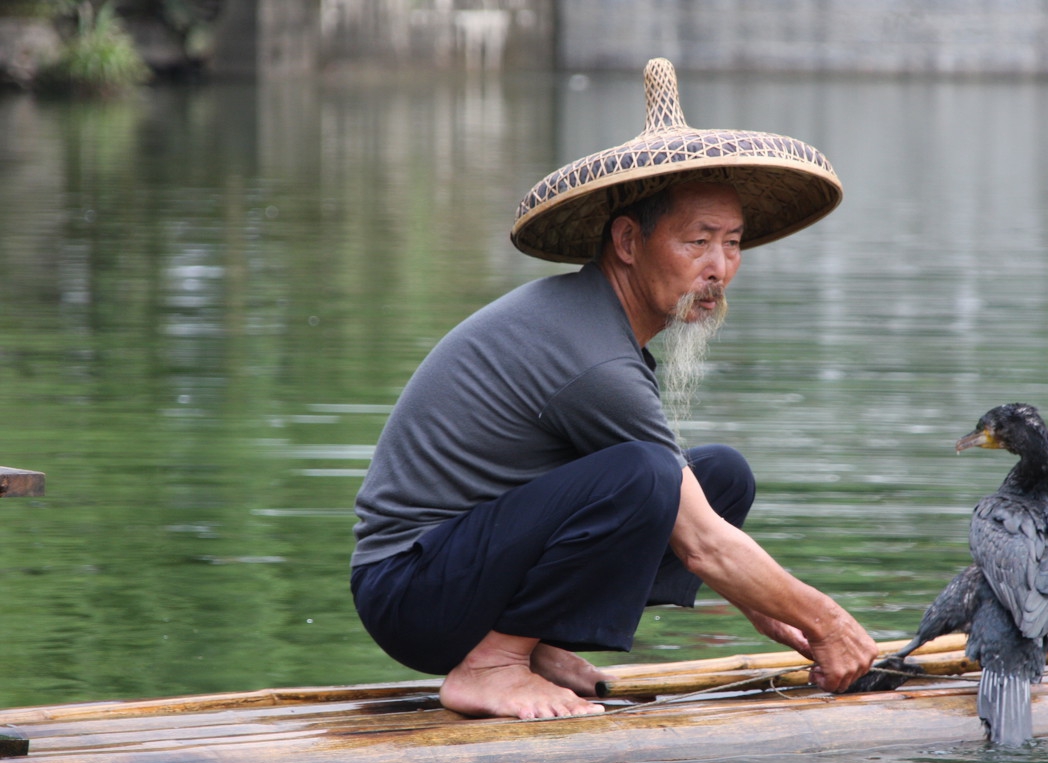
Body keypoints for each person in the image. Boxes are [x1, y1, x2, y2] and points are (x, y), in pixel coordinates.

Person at [350, 58, 878, 720]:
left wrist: (774, 614)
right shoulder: (592, 356)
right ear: (628, 241)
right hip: (409, 589)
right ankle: (492, 663)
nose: (719, 269)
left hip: (461, 573)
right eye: (698, 242)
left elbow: (695, 518)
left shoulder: (600, 324)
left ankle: (527, 644)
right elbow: (699, 539)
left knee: (718, 477)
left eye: (733, 244)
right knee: (648, 475)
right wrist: (829, 623)